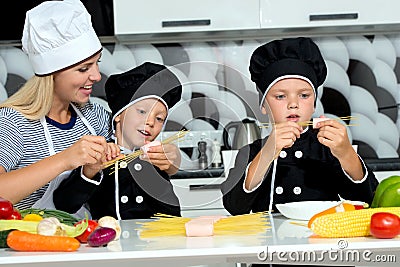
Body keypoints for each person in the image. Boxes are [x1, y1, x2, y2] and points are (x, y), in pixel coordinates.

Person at [221, 37, 379, 216]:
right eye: (280, 96)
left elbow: (369, 198)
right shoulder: (250, 151)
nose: (293, 104)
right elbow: (234, 207)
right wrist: (267, 153)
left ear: (313, 103)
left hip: (318, 239)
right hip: (268, 241)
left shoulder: (328, 147)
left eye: (304, 95)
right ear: (263, 105)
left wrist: (346, 153)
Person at [0, 0, 120, 210]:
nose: (97, 76)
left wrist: (168, 160)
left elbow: (132, 153)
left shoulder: (95, 117)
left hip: (84, 238)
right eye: (84, 69)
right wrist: (65, 159)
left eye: (96, 63)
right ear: (51, 74)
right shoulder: (13, 123)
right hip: (25, 239)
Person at [54, 62, 182, 219]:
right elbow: (63, 205)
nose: (150, 122)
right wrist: (90, 171)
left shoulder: (157, 160)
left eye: (159, 118)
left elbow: (173, 214)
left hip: (155, 240)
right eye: (142, 111)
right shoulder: (99, 155)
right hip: (109, 240)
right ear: (119, 115)